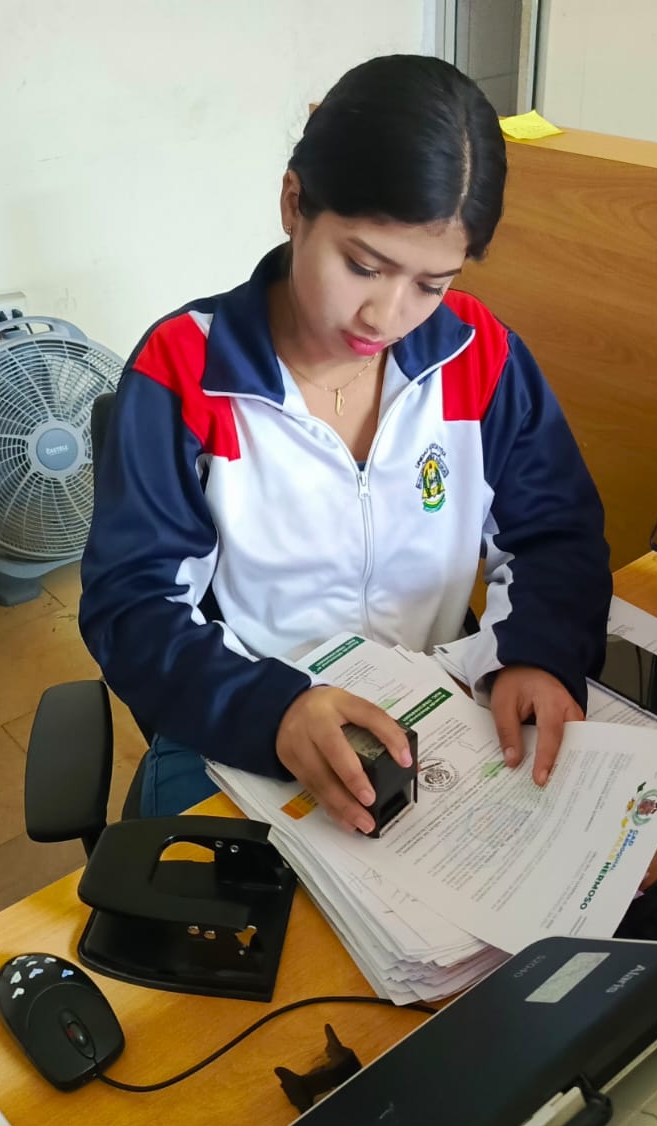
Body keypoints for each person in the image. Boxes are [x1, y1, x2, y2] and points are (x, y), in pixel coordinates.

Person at [79, 55, 612, 833]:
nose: (386, 316)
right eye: (364, 265)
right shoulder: (185, 370)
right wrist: (274, 710)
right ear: (294, 203)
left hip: (438, 705)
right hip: (246, 712)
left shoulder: (481, 356)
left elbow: (556, 532)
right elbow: (132, 607)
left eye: (432, 284)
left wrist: (535, 652)